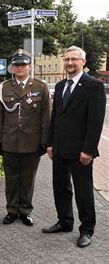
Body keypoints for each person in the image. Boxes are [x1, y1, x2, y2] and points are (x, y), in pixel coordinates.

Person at [42, 46, 106, 248]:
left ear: (83, 62)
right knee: (60, 187)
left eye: (74, 59)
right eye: (67, 59)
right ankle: (65, 221)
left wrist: (88, 150)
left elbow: (95, 122)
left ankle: (87, 229)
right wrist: (50, 144)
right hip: (60, 148)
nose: (70, 63)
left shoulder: (93, 86)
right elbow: (56, 119)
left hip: (81, 151)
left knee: (83, 190)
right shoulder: (60, 86)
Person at [0, 49, 51, 226]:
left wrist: (44, 141)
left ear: (29, 66)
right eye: (16, 65)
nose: (19, 67)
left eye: (23, 64)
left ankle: (25, 210)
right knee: (11, 179)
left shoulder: (40, 88)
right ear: (12, 67)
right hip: (9, 141)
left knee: (27, 179)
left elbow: (46, 118)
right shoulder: (4, 87)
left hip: (31, 143)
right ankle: (11, 210)